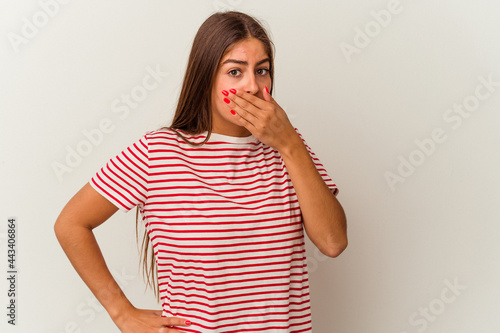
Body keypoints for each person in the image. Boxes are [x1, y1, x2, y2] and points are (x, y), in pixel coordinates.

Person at [54, 11, 347, 333]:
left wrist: (289, 144)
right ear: (206, 76)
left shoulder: (289, 149)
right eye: (235, 71)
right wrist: (121, 311)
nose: (252, 85)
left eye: (262, 71)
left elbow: (333, 242)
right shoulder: (158, 152)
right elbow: (71, 223)